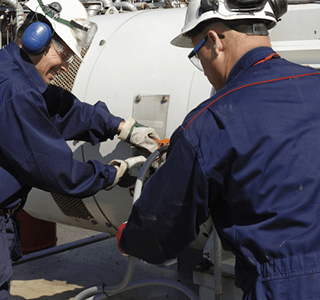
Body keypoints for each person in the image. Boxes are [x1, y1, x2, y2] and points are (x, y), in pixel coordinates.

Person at [117, 0, 320, 298]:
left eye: (197, 55)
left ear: (213, 41)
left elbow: (161, 229)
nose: (203, 70)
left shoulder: (209, 123)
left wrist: (129, 238)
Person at [0, 0, 159, 297]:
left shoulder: (15, 73)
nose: (65, 65)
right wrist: (112, 174)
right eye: (63, 54)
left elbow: (64, 110)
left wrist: (121, 126)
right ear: (38, 37)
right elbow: (57, 170)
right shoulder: (15, 90)